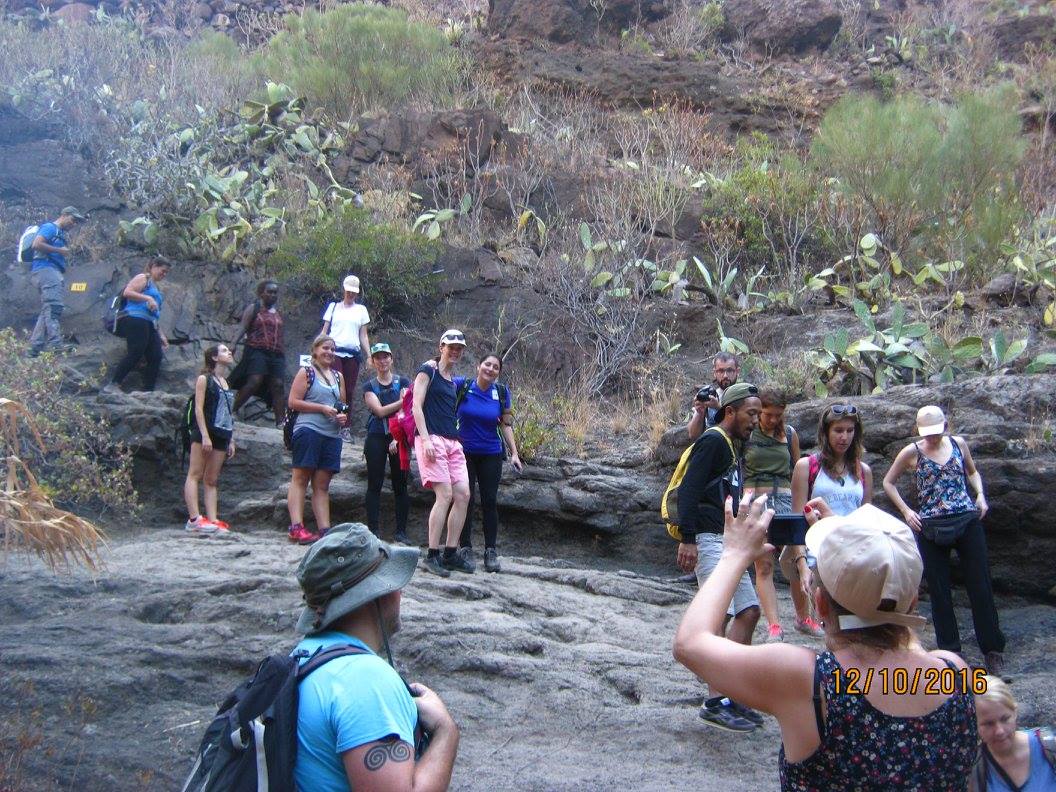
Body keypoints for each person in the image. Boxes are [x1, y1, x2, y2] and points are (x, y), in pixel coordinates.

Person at [674, 497, 979, 791]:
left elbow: (690, 643)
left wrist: (734, 554)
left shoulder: (808, 681)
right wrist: (857, 547)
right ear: (912, 602)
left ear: (819, 604)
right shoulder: (955, 673)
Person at [293, 523, 460, 791]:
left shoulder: (305, 655)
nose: (400, 592)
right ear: (378, 594)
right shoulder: (365, 682)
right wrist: (445, 732)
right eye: (394, 581)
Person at [883, 405, 1006, 677]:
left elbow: (972, 472)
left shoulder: (958, 444)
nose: (933, 437)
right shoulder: (912, 452)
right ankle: (951, 653)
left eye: (937, 431)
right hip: (932, 525)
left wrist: (980, 494)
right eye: (927, 432)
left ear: (946, 426)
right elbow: (888, 482)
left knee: (980, 585)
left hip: (966, 518)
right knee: (939, 591)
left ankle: (993, 650)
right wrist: (907, 511)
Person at [674, 382, 763, 732]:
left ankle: (732, 691)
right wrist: (688, 538)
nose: (755, 421)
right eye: (751, 413)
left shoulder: (731, 445)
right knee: (718, 615)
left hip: (727, 541)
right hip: (708, 537)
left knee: (749, 611)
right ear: (730, 412)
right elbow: (689, 489)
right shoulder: (713, 440)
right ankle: (715, 701)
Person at [785, 403, 874, 639]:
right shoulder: (807, 467)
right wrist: (802, 565)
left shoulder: (863, 471)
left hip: (853, 555)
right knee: (830, 626)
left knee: (852, 628)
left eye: (849, 430)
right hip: (819, 555)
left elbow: (867, 519)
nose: (844, 437)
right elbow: (797, 519)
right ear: (825, 432)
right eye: (838, 430)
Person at [742, 389, 803, 643]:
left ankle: (805, 617)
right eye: (768, 415)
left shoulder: (789, 434)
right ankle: (774, 626)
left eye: (778, 415)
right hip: (758, 501)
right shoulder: (748, 434)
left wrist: (802, 505)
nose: (773, 420)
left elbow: (798, 469)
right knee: (764, 564)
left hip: (786, 501)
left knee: (798, 560)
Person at [412, 329, 473, 577]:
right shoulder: (428, 370)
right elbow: (416, 405)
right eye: (451, 347)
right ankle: (432, 554)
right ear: (441, 347)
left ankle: (450, 553)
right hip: (432, 438)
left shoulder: (451, 380)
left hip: (452, 440)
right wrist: (425, 439)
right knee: (444, 494)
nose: (455, 351)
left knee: (463, 494)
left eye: (459, 348)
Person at [454, 353, 523, 574]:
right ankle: (465, 548)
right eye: (487, 364)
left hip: (491, 453)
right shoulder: (462, 386)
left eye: (495, 367)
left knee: (490, 501)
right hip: (463, 453)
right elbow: (439, 383)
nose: (490, 369)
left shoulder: (501, 392)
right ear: (478, 366)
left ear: (498, 372)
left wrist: (514, 453)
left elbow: (506, 425)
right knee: (465, 500)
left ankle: (490, 551)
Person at [287, 335, 348, 545]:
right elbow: (293, 402)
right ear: (315, 350)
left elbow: (341, 405)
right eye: (325, 348)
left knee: (322, 484)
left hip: (331, 434)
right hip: (308, 429)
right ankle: (296, 527)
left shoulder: (338, 376)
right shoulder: (307, 372)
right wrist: (321, 408)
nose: (329, 352)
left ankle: (325, 530)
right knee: (301, 478)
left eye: (332, 349)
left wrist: (342, 417)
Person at [183, 344, 236, 534]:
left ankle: (213, 519)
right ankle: (194, 518)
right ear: (214, 357)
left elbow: (228, 412)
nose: (229, 353)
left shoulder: (226, 382)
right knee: (195, 473)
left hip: (222, 432)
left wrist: (230, 438)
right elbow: (199, 409)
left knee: (212, 478)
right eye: (224, 351)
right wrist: (204, 435)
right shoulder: (204, 379)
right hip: (205, 431)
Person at [970, 674, 1056, 791]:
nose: (999, 731)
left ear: (1015, 713)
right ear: (974, 724)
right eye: (988, 724)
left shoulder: (1050, 748)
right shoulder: (973, 770)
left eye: (1005, 719)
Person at [362, 342, 411, 544]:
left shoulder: (403, 381)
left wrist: (396, 436)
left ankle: (401, 532)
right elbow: (380, 412)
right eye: (378, 358)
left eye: (385, 357)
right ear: (373, 361)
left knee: (401, 485)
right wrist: (404, 401)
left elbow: (405, 412)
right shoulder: (369, 386)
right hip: (376, 435)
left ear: (391, 359)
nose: (382, 361)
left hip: (399, 436)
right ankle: (373, 530)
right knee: (374, 483)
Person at [109, 257, 172, 391]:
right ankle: (114, 383)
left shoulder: (155, 287)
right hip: (135, 318)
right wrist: (148, 298)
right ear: (154, 266)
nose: (164, 274)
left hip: (150, 323)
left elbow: (155, 315)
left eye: (166, 272)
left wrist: (161, 335)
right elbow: (127, 292)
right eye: (163, 271)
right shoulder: (143, 278)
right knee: (136, 351)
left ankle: (148, 390)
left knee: (156, 356)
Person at [28, 206, 84, 356]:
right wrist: (60, 251)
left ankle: (34, 348)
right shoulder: (50, 228)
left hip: (50, 271)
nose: (74, 224)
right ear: (64, 215)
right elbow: (36, 244)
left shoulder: (59, 232)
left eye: (76, 222)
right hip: (46, 269)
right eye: (73, 219)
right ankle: (55, 344)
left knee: (47, 309)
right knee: (54, 307)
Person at [231, 279, 286, 427]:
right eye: (270, 292)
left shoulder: (278, 313)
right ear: (262, 293)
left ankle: (281, 422)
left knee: (278, 385)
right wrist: (233, 344)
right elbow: (243, 327)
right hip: (257, 350)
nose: (273, 295)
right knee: (254, 381)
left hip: (276, 353)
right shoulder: (254, 308)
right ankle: (232, 410)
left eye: (275, 292)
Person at [320, 275, 370, 436]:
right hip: (333, 353)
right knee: (333, 387)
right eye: (349, 291)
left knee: (348, 390)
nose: (351, 294)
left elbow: (363, 335)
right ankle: (328, 422)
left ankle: (345, 426)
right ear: (344, 289)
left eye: (354, 291)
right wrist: (317, 349)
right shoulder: (333, 307)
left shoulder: (361, 310)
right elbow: (324, 331)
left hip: (352, 354)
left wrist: (369, 355)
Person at [687, 352, 740, 441]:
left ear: (737, 371)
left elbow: (742, 429)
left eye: (729, 371)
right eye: (721, 371)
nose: (725, 375)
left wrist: (718, 407)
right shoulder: (709, 396)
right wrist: (699, 413)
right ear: (715, 373)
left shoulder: (745, 395)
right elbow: (693, 435)